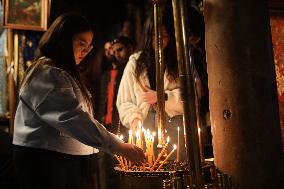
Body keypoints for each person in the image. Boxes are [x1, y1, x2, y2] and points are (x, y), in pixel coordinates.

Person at [12, 13, 144, 189]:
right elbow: (73, 118)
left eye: (89, 46)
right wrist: (117, 146)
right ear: (62, 40)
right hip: (43, 160)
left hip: (56, 158)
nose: (85, 51)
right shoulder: (49, 73)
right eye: (81, 43)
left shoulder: (61, 72)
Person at [116, 8, 186, 161]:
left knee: (176, 166)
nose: (160, 40)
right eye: (155, 35)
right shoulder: (135, 63)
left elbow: (190, 96)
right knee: (149, 167)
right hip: (145, 124)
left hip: (174, 125)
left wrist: (164, 96)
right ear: (148, 35)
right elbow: (124, 100)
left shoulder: (179, 61)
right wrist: (134, 118)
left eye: (165, 36)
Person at [97, 36, 134, 189]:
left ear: (129, 48)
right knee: (107, 171)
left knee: (125, 170)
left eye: (120, 50)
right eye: (113, 51)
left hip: (124, 127)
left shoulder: (130, 72)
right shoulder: (107, 74)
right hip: (106, 127)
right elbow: (102, 102)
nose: (116, 54)